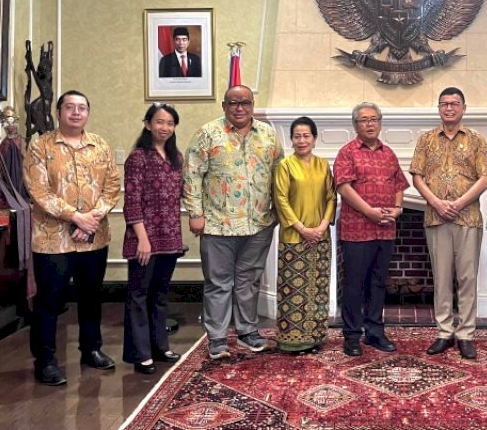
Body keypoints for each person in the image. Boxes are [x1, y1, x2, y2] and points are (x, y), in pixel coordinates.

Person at [23, 90, 121, 386]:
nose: (76, 113)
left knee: (91, 297)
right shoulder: (40, 145)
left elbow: (112, 187)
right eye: (70, 107)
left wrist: (91, 221)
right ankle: (45, 361)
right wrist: (76, 217)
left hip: (94, 237)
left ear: (88, 113)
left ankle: (91, 349)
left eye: (82, 108)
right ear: (59, 112)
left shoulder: (100, 145)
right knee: (49, 301)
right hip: (53, 240)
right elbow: (38, 191)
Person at [183, 85, 284, 360]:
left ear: (252, 105)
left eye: (245, 103)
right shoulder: (208, 133)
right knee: (218, 283)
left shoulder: (268, 134)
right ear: (224, 106)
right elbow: (192, 175)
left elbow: (279, 174)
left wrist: (280, 212)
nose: (240, 108)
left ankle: (247, 331)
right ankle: (217, 338)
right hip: (218, 224)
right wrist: (195, 213)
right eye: (233, 103)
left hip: (259, 223)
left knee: (249, 281)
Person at [410, 87, 487, 360]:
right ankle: (444, 331)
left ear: (463, 108)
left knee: (467, 278)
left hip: (467, 218)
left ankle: (466, 334)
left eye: (454, 103)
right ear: (439, 108)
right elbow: (417, 177)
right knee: (441, 277)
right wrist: (436, 202)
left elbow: (486, 177)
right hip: (436, 217)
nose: (449, 108)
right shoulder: (426, 139)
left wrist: (458, 203)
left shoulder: (476, 139)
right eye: (444, 104)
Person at [334, 102, 409, 357]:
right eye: (364, 120)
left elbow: (399, 184)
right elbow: (344, 188)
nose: (370, 124)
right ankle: (352, 336)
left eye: (374, 119)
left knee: (378, 283)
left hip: (385, 230)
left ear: (380, 123)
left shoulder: (389, 154)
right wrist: (369, 212)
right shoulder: (347, 153)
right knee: (354, 284)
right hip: (357, 230)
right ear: (355, 125)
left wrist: (397, 209)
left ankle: (375, 332)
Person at [122, 103, 185, 374]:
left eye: (170, 123)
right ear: (148, 124)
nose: (165, 127)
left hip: (170, 238)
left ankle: (160, 346)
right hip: (143, 239)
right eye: (160, 122)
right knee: (139, 294)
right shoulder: (138, 158)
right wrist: (142, 238)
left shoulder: (176, 157)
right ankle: (140, 354)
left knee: (160, 294)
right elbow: (131, 201)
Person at [273, 116, 337, 354]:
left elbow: (331, 197)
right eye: (297, 136)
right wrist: (302, 229)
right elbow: (280, 199)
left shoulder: (323, 165)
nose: (302, 140)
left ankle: (315, 337)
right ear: (291, 140)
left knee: (317, 289)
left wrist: (321, 227)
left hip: (320, 238)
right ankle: (292, 340)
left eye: (306, 136)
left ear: (314, 138)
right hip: (294, 237)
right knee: (294, 291)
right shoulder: (285, 166)